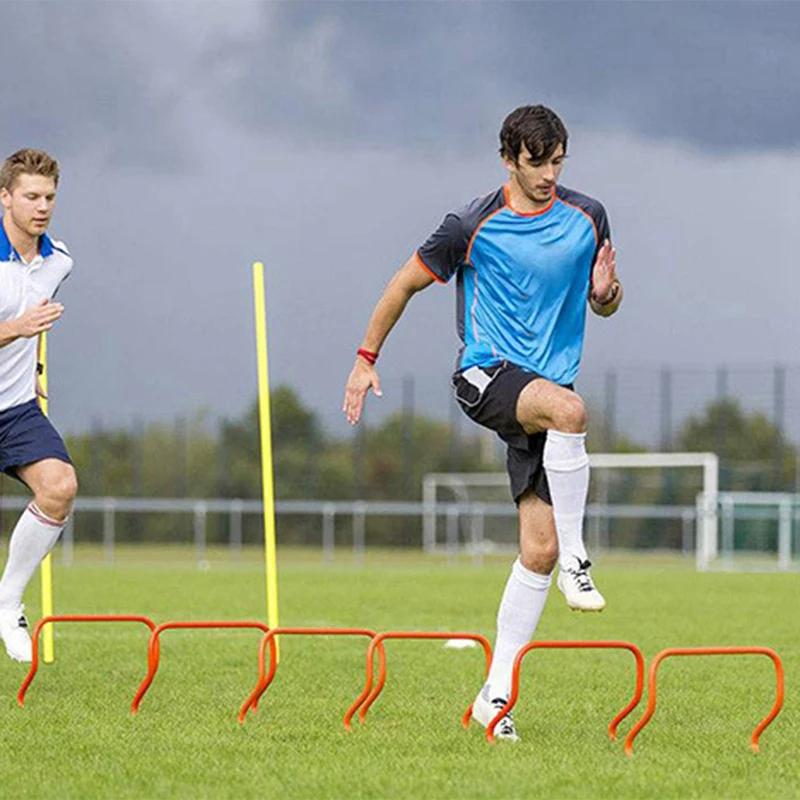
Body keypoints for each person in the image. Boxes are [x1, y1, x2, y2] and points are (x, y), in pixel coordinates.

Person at [342, 105, 623, 741]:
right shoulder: (469, 223)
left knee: (537, 550)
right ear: (508, 159)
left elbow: (605, 303)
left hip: (544, 396)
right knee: (572, 411)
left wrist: (606, 294)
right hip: (486, 376)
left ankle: (493, 701)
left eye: (557, 161)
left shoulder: (589, 217)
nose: (549, 174)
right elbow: (403, 285)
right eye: (536, 162)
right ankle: (583, 559)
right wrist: (364, 360)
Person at [0, 149, 76, 662]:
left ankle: (7, 605)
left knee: (60, 487)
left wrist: (37, 365)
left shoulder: (59, 260)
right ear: (5, 197)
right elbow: (24, 321)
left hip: (16, 410)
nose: (42, 206)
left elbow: (38, 318)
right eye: (30, 196)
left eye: (49, 196)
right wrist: (15, 330)